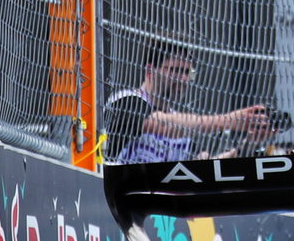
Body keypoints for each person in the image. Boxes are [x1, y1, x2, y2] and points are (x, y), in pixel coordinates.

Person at [103, 45, 272, 164]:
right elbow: (157, 124)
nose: (184, 79)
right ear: (150, 70)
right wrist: (228, 121)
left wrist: (249, 144)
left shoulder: (182, 129)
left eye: (188, 73)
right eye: (175, 70)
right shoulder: (126, 101)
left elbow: (201, 170)